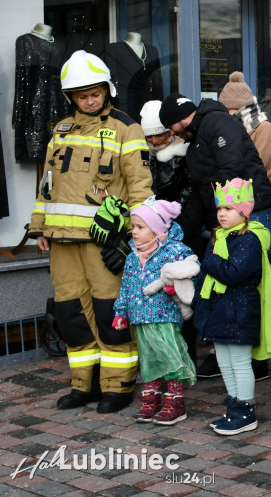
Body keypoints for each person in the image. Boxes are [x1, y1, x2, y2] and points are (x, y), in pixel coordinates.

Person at [28, 50, 153, 414]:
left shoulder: (126, 129)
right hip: (62, 240)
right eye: (82, 96)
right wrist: (39, 227)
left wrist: (137, 234)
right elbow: (47, 185)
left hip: (104, 242)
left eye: (95, 92)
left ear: (107, 90)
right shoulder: (60, 131)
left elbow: (140, 186)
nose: (89, 100)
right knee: (70, 315)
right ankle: (84, 384)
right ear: (71, 98)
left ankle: (117, 386)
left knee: (109, 313)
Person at [160, 90, 271, 382]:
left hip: (252, 214)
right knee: (229, 291)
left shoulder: (216, 123)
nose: (172, 135)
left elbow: (230, 169)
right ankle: (232, 353)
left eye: (171, 128)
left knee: (249, 289)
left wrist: (222, 219)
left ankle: (255, 361)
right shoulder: (199, 138)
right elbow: (203, 190)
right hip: (228, 220)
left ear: (178, 122)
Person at [193, 178, 271, 435]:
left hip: (240, 311)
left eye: (229, 209)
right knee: (224, 361)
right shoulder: (220, 238)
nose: (222, 214)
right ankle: (233, 404)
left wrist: (208, 261)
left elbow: (232, 273)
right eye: (220, 209)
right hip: (221, 311)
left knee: (240, 362)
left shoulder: (249, 240)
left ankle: (245, 409)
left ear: (243, 212)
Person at [112, 198, 198, 425]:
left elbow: (191, 272)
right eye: (133, 227)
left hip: (165, 316)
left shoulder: (174, 251)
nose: (134, 232)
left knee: (170, 357)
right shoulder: (132, 257)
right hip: (140, 317)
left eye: (140, 227)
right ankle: (151, 400)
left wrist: (177, 288)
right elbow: (126, 286)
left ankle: (175, 401)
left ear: (158, 229)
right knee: (149, 360)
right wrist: (121, 311)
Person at [219, 71, 271, 184]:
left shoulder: (264, 128)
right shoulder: (229, 128)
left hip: (256, 197)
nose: (226, 115)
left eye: (228, 110)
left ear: (240, 109)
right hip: (231, 197)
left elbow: (256, 167)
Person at [140, 100, 192, 204]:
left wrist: (170, 210)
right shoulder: (140, 153)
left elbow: (190, 189)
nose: (154, 141)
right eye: (149, 136)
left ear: (170, 131)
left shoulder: (185, 152)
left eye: (159, 135)